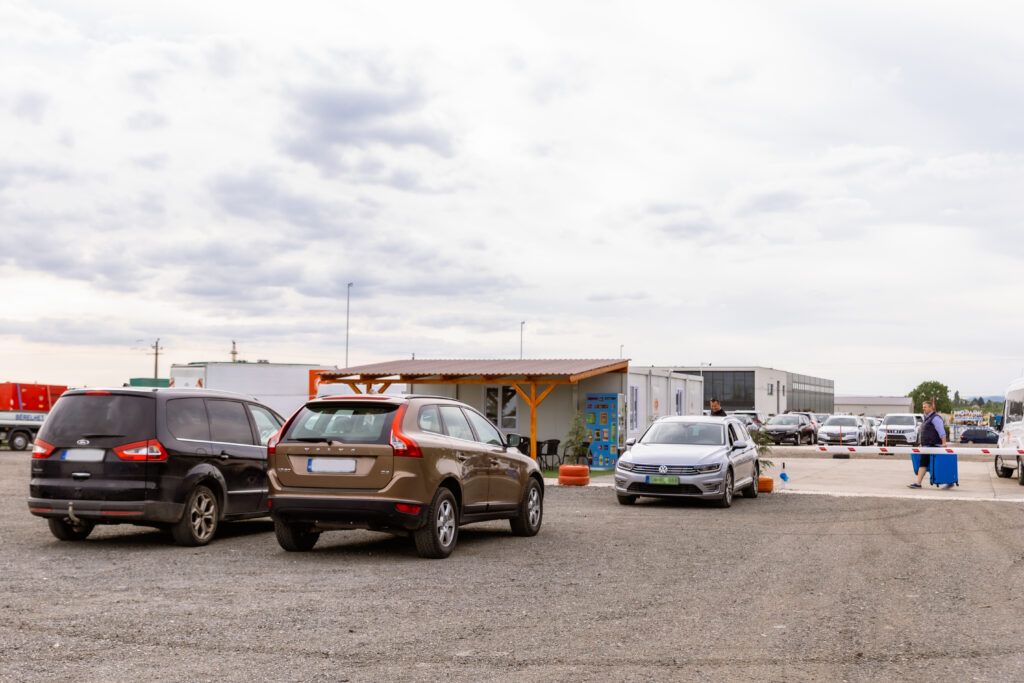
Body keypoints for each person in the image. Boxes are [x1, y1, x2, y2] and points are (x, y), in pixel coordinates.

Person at [909, 400, 949, 489]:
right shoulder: (927, 419)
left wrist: (944, 443)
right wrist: (922, 444)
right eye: (923, 407)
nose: (923, 409)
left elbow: (941, 431)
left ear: (931, 407)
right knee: (923, 464)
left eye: (925, 407)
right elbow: (925, 433)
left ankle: (948, 481)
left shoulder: (936, 418)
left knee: (935, 466)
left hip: (934, 446)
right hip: (926, 446)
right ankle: (918, 483)